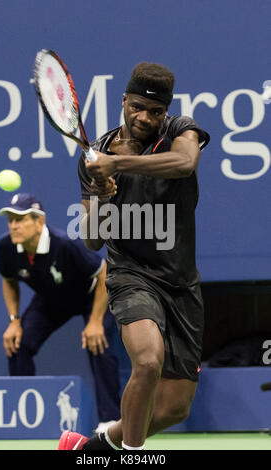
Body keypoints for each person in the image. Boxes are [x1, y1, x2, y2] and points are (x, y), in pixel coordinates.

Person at [58, 62, 210, 451]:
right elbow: (93, 240)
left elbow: (185, 163)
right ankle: (131, 456)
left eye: (155, 111)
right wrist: (102, 194)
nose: (144, 117)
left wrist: (117, 165)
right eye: (137, 107)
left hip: (180, 282)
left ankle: (92, 446)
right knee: (146, 361)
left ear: (167, 112)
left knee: (175, 408)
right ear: (123, 100)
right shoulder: (95, 157)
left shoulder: (180, 131)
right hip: (130, 275)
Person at [0, 193, 121, 431]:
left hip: (90, 295)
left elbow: (104, 272)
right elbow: (9, 280)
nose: (14, 225)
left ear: (39, 222)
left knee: (99, 345)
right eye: (11, 219)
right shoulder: (6, 246)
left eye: (21, 219)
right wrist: (14, 320)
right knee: (18, 343)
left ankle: (111, 421)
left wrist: (95, 321)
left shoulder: (64, 244)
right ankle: (24, 420)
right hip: (51, 300)